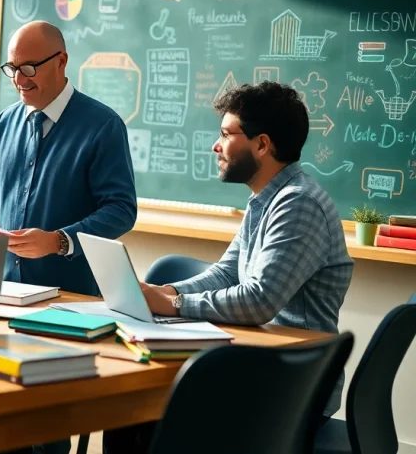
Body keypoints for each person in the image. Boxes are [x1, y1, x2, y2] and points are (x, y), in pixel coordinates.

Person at [103, 82, 354, 454]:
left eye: (225, 134)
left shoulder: (298, 204)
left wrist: (173, 305)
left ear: (262, 144)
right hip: (261, 366)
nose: (215, 146)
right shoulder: (265, 200)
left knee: (145, 419)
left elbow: (259, 301)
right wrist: (165, 292)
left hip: (293, 384)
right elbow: (226, 272)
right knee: (131, 414)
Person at [0, 21, 137, 297]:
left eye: (29, 68)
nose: (19, 80)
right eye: (12, 69)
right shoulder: (6, 121)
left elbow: (121, 210)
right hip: (2, 289)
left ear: (61, 62)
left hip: (71, 298)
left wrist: (59, 241)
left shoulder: (103, 126)